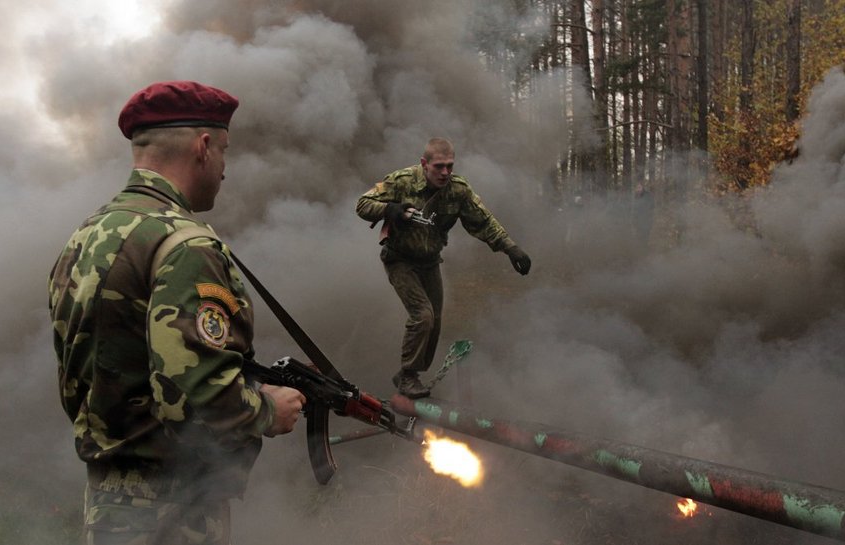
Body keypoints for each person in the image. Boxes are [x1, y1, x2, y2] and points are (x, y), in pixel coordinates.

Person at [48, 81, 306, 545]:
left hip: (109, 497)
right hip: (173, 505)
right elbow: (195, 399)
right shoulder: (187, 246)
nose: (225, 170)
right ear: (204, 147)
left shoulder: (89, 233)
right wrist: (268, 409)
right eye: (225, 151)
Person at [355, 137, 531, 399]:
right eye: (439, 166)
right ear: (424, 164)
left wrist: (511, 248)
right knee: (422, 315)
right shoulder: (401, 181)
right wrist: (391, 209)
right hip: (400, 259)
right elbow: (363, 205)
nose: (445, 172)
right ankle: (408, 375)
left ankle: (411, 373)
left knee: (435, 321)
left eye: (450, 166)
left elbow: (483, 221)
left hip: (429, 262)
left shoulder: (457, 190)